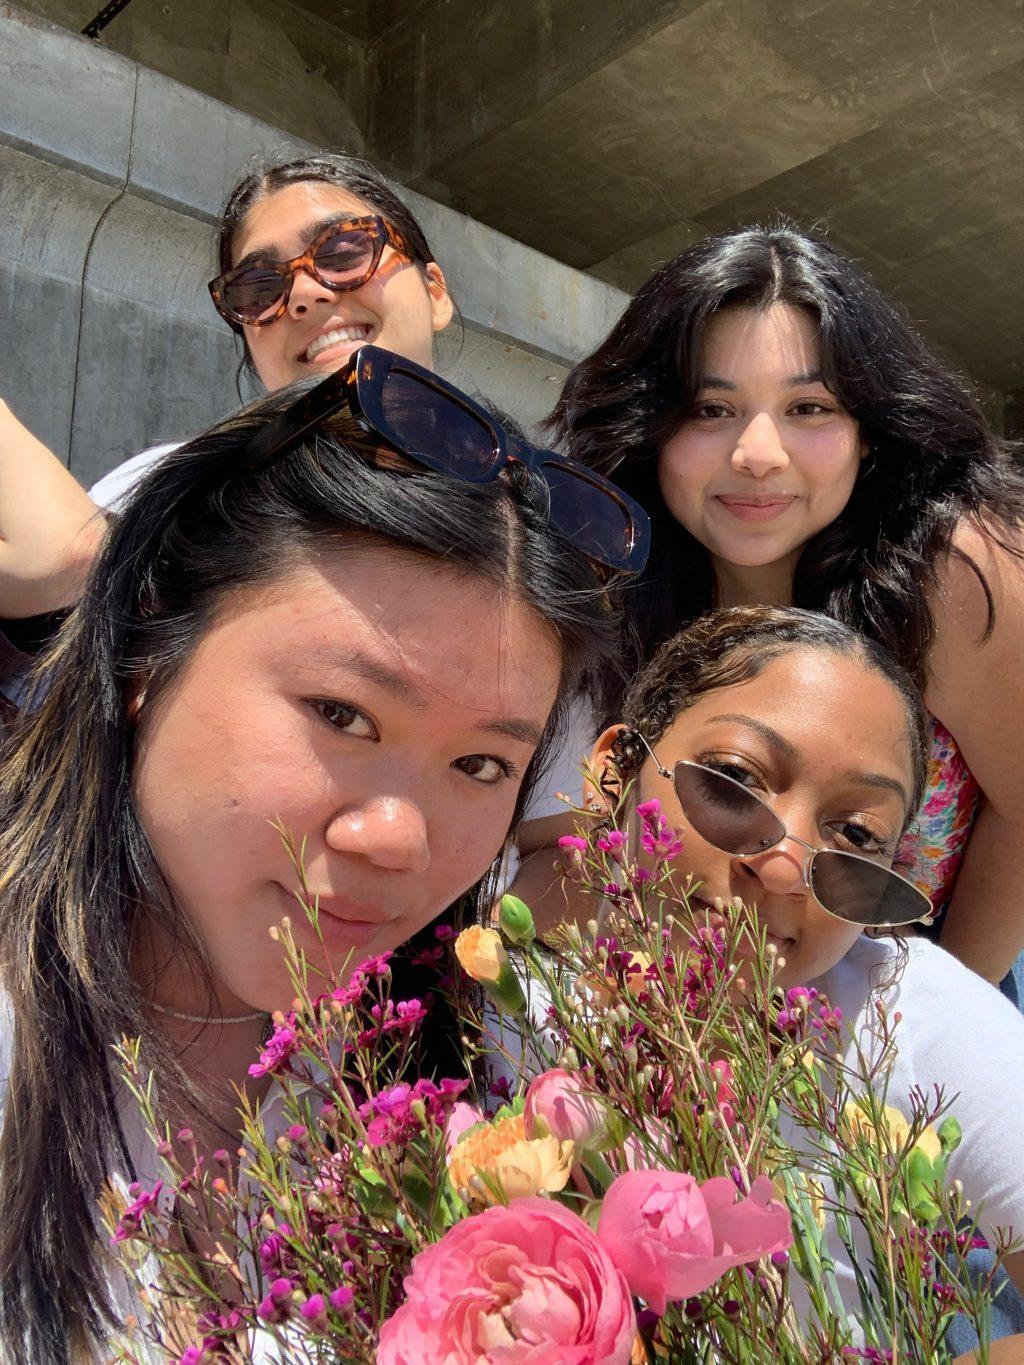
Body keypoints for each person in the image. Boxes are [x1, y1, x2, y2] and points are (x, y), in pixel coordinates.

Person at [0, 348, 639, 1362]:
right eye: (341, 713)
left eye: (480, 764)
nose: (399, 840)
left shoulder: (484, 1092)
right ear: (145, 649)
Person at [515, 222, 1024, 987]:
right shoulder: (607, 586)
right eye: (710, 409)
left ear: (867, 431)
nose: (758, 454)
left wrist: (933, 1026)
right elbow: (568, 848)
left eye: (810, 408)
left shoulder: (951, 572)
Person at [583, 605, 1024, 1331]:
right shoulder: (495, 986)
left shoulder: (905, 1013)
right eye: (734, 779)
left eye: (855, 834)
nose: (784, 865)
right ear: (615, 773)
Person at [0, 151, 456, 695]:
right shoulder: (166, 488)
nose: (306, 295)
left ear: (434, 293)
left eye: (344, 249)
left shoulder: (543, 518)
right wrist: (79, 590)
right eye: (259, 288)